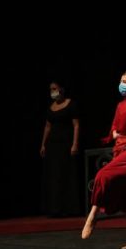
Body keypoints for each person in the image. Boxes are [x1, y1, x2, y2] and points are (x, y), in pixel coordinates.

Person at [82, 71, 126, 249]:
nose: (122, 84)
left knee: (102, 175)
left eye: (125, 81)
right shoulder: (120, 105)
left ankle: (93, 215)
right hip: (120, 149)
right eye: (121, 81)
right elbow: (115, 125)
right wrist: (114, 133)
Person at [40, 80, 81, 217]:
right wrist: (43, 144)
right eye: (51, 89)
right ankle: (54, 209)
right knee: (54, 176)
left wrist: (75, 144)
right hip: (53, 145)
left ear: (61, 89)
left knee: (66, 174)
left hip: (66, 144)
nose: (52, 91)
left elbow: (76, 125)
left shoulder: (71, 104)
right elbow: (47, 127)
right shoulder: (50, 107)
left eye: (54, 88)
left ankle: (69, 208)